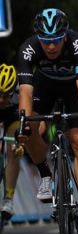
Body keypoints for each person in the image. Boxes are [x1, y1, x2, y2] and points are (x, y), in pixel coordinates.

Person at [16, 8, 78, 234]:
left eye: (55, 40)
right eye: (46, 41)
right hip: (44, 87)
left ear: (65, 35)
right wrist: (24, 121)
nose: (51, 47)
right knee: (29, 128)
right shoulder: (28, 48)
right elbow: (25, 91)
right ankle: (45, 173)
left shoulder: (77, 44)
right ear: (38, 38)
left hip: (74, 87)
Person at [0, 64, 24, 221]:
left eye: (6, 95)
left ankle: (8, 199)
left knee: (13, 148)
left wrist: (21, 145)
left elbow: (25, 121)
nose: (1, 99)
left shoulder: (21, 91)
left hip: (12, 115)